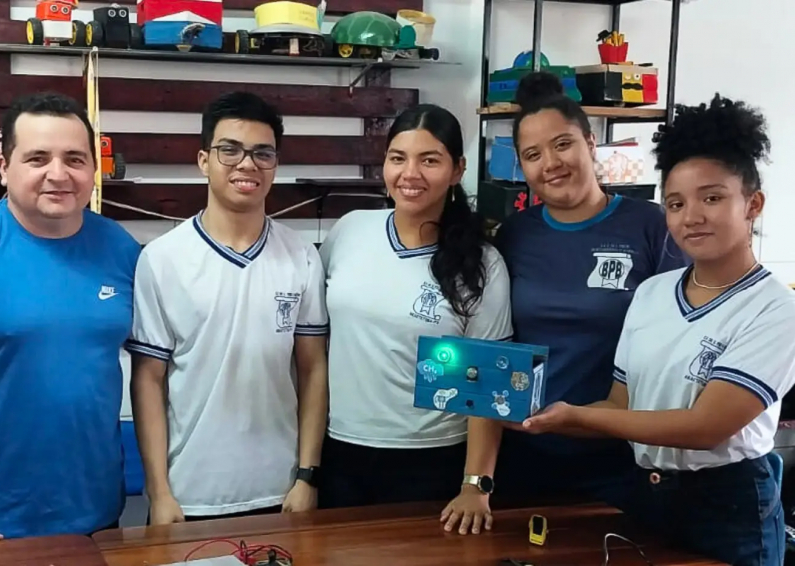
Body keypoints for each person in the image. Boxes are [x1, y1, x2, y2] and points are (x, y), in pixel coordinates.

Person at [515, 93, 794, 566]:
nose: (692, 217)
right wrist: (539, 416)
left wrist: (576, 418)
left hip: (729, 504)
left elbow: (706, 428)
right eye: (676, 203)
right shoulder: (652, 293)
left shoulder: (776, 310)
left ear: (753, 204)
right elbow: (620, 405)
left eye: (713, 198)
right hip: (645, 495)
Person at [440, 72, 688, 535]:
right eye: (533, 154)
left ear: (591, 144)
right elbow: (494, 343)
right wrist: (478, 480)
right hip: (525, 453)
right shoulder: (514, 235)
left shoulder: (650, 226)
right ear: (521, 165)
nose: (550, 163)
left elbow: (681, 339)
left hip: (622, 455)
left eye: (562, 144)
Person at [0, 92, 141, 556]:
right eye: (37, 158)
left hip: (95, 515)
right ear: (3, 163)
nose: (58, 174)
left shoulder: (122, 250)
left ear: (94, 167)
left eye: (74, 158)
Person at [128, 92, 329, 524]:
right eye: (230, 150)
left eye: (262, 153)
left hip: (282, 490)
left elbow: (313, 370)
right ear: (204, 160)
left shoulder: (301, 255)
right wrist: (160, 493)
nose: (247, 164)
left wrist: (307, 478)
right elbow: (148, 381)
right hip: (189, 495)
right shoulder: (163, 259)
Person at [316, 103, 513, 509]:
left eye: (430, 160)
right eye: (398, 158)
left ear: (457, 170)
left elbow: (487, 381)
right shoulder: (350, 230)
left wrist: (475, 486)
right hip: (339, 448)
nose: (410, 174)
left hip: (433, 458)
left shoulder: (482, 263)